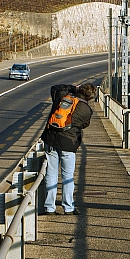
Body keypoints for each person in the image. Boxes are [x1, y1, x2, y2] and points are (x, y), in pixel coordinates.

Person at [42, 82, 95, 215]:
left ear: (80, 90)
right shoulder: (86, 109)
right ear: (90, 97)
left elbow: (54, 87)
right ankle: (68, 207)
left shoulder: (62, 97)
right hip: (68, 144)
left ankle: (49, 207)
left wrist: (72, 88)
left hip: (51, 139)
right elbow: (84, 125)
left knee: (51, 174)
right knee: (67, 176)